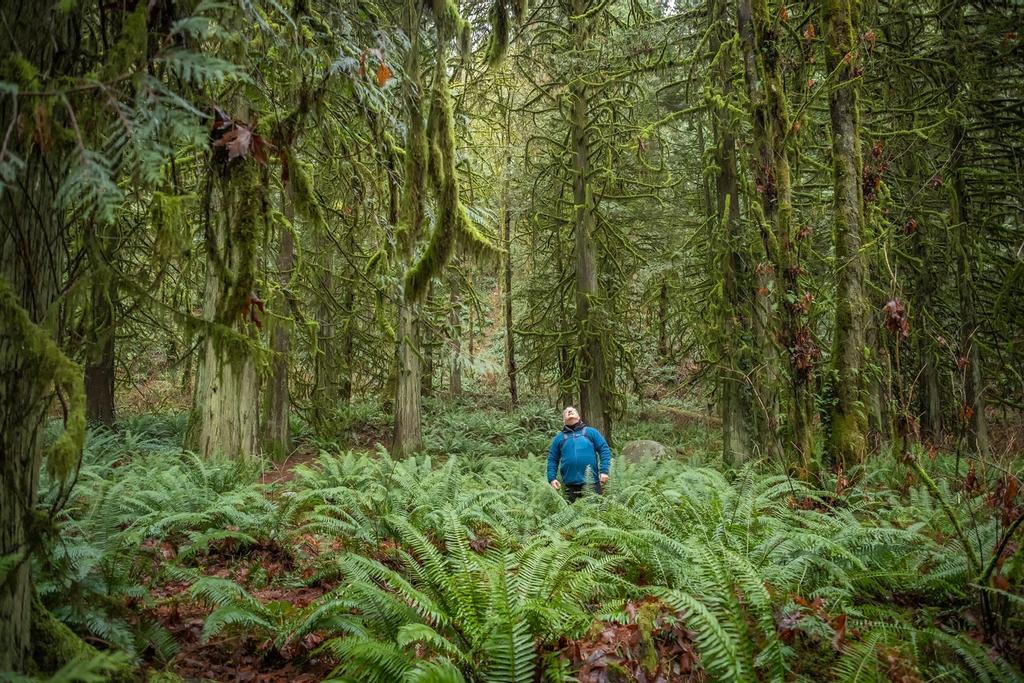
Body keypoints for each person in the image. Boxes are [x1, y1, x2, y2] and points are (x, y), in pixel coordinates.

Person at [547, 406, 612, 503]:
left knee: (596, 514)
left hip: (592, 483)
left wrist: (604, 471)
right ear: (564, 420)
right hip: (570, 486)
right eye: (566, 412)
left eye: (572, 410)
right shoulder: (559, 438)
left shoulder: (591, 432)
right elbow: (552, 459)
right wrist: (552, 478)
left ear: (578, 416)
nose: (569, 411)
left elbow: (604, 449)